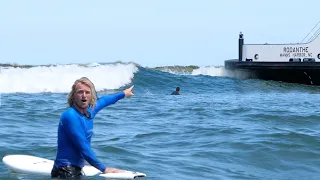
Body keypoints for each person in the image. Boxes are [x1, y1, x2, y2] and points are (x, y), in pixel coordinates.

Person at [51, 77, 134, 179]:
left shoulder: (89, 112)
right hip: (65, 171)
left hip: (75, 169)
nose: (84, 95)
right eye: (80, 92)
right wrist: (104, 169)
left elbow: (104, 101)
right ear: (73, 96)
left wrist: (123, 94)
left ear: (92, 96)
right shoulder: (70, 116)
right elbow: (83, 147)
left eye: (87, 92)